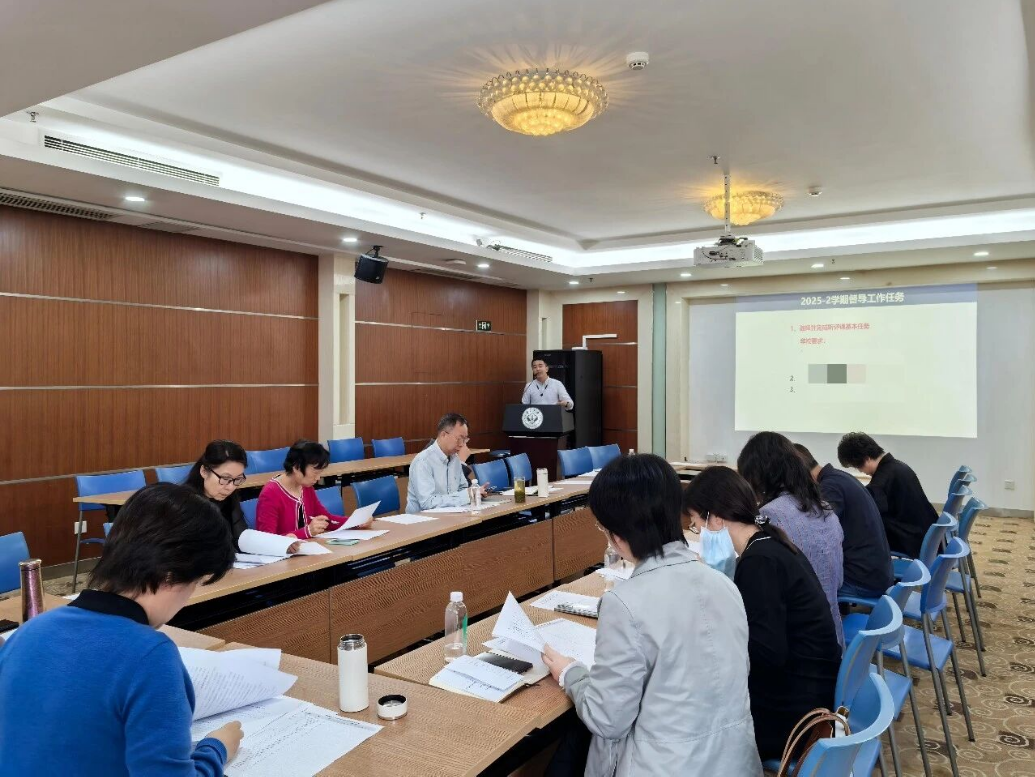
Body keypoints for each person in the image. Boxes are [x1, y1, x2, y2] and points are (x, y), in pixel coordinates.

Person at [540, 454, 761, 776]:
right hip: (736, 764)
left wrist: (570, 674)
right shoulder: (725, 584)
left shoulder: (624, 603)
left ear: (616, 536)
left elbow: (608, 720)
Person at [0, 483, 242, 775]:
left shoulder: (29, 632)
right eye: (196, 583)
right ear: (170, 576)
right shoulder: (150, 655)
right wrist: (216, 748)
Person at [683, 467, 842, 761]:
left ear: (715, 518)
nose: (698, 532)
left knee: (689, 717)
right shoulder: (770, 542)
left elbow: (765, 654)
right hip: (810, 689)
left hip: (795, 716)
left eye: (696, 524)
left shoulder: (760, 563)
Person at [737, 432, 845, 649]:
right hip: (833, 636)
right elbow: (839, 581)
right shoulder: (822, 507)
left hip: (799, 645)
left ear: (757, 476)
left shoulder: (769, 515)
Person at [793, 443, 894, 599]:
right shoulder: (838, 477)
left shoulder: (830, 488)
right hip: (876, 571)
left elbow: (816, 535)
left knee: (800, 587)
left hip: (864, 579)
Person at [837, 432, 939, 559]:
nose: (860, 471)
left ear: (866, 458)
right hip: (926, 533)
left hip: (913, 539)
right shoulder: (897, 466)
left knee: (855, 534)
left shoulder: (882, 479)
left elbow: (869, 509)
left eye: (858, 467)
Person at [256, 440, 364, 538]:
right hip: (284, 553)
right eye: (315, 473)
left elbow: (326, 519)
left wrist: (357, 522)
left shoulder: (306, 486)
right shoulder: (271, 493)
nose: (318, 478)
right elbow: (267, 540)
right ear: (297, 467)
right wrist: (306, 532)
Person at [406, 413, 485, 512]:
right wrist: (466, 496)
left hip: (451, 514)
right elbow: (427, 503)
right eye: (459, 439)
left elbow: (462, 488)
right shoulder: (423, 461)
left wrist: (474, 492)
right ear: (443, 435)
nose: (462, 445)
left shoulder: (455, 459)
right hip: (424, 519)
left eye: (465, 440)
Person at [183, 439, 250, 551]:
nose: (231, 487)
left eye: (238, 479)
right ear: (204, 471)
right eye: (225, 478)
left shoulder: (230, 497)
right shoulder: (184, 504)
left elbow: (241, 537)